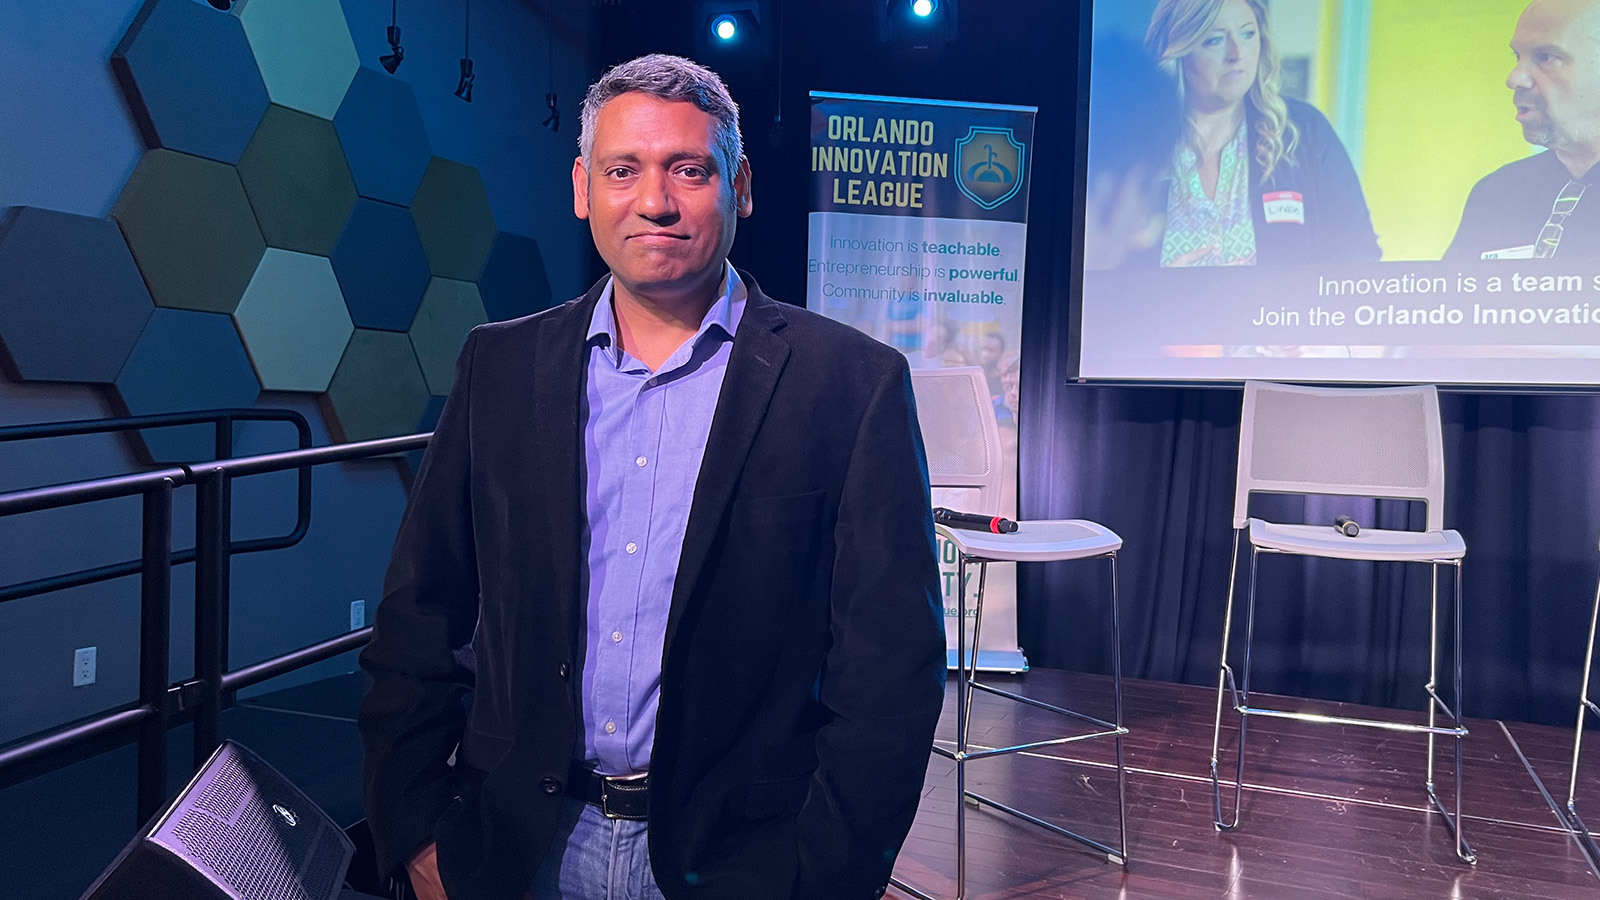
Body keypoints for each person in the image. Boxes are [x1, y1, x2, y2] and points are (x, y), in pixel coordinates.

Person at [357, 54, 945, 900]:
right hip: (514, 850)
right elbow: (421, 614)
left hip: (740, 863)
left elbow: (890, 672)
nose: (656, 202)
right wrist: (412, 833)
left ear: (739, 186)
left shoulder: (852, 384)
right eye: (623, 170)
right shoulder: (500, 367)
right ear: (581, 187)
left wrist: (826, 878)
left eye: (689, 170)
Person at [1144, 0, 1381, 266]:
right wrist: (1162, 290)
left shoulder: (1303, 132)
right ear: (1178, 51)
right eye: (1215, 40)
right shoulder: (1137, 143)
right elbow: (1099, 272)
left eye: (1247, 34)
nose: (1237, 53)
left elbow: (1359, 252)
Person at [1446, 0, 1600, 261]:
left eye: (1546, 57)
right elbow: (1450, 300)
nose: (1514, 78)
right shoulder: (1496, 194)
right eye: (1518, 56)